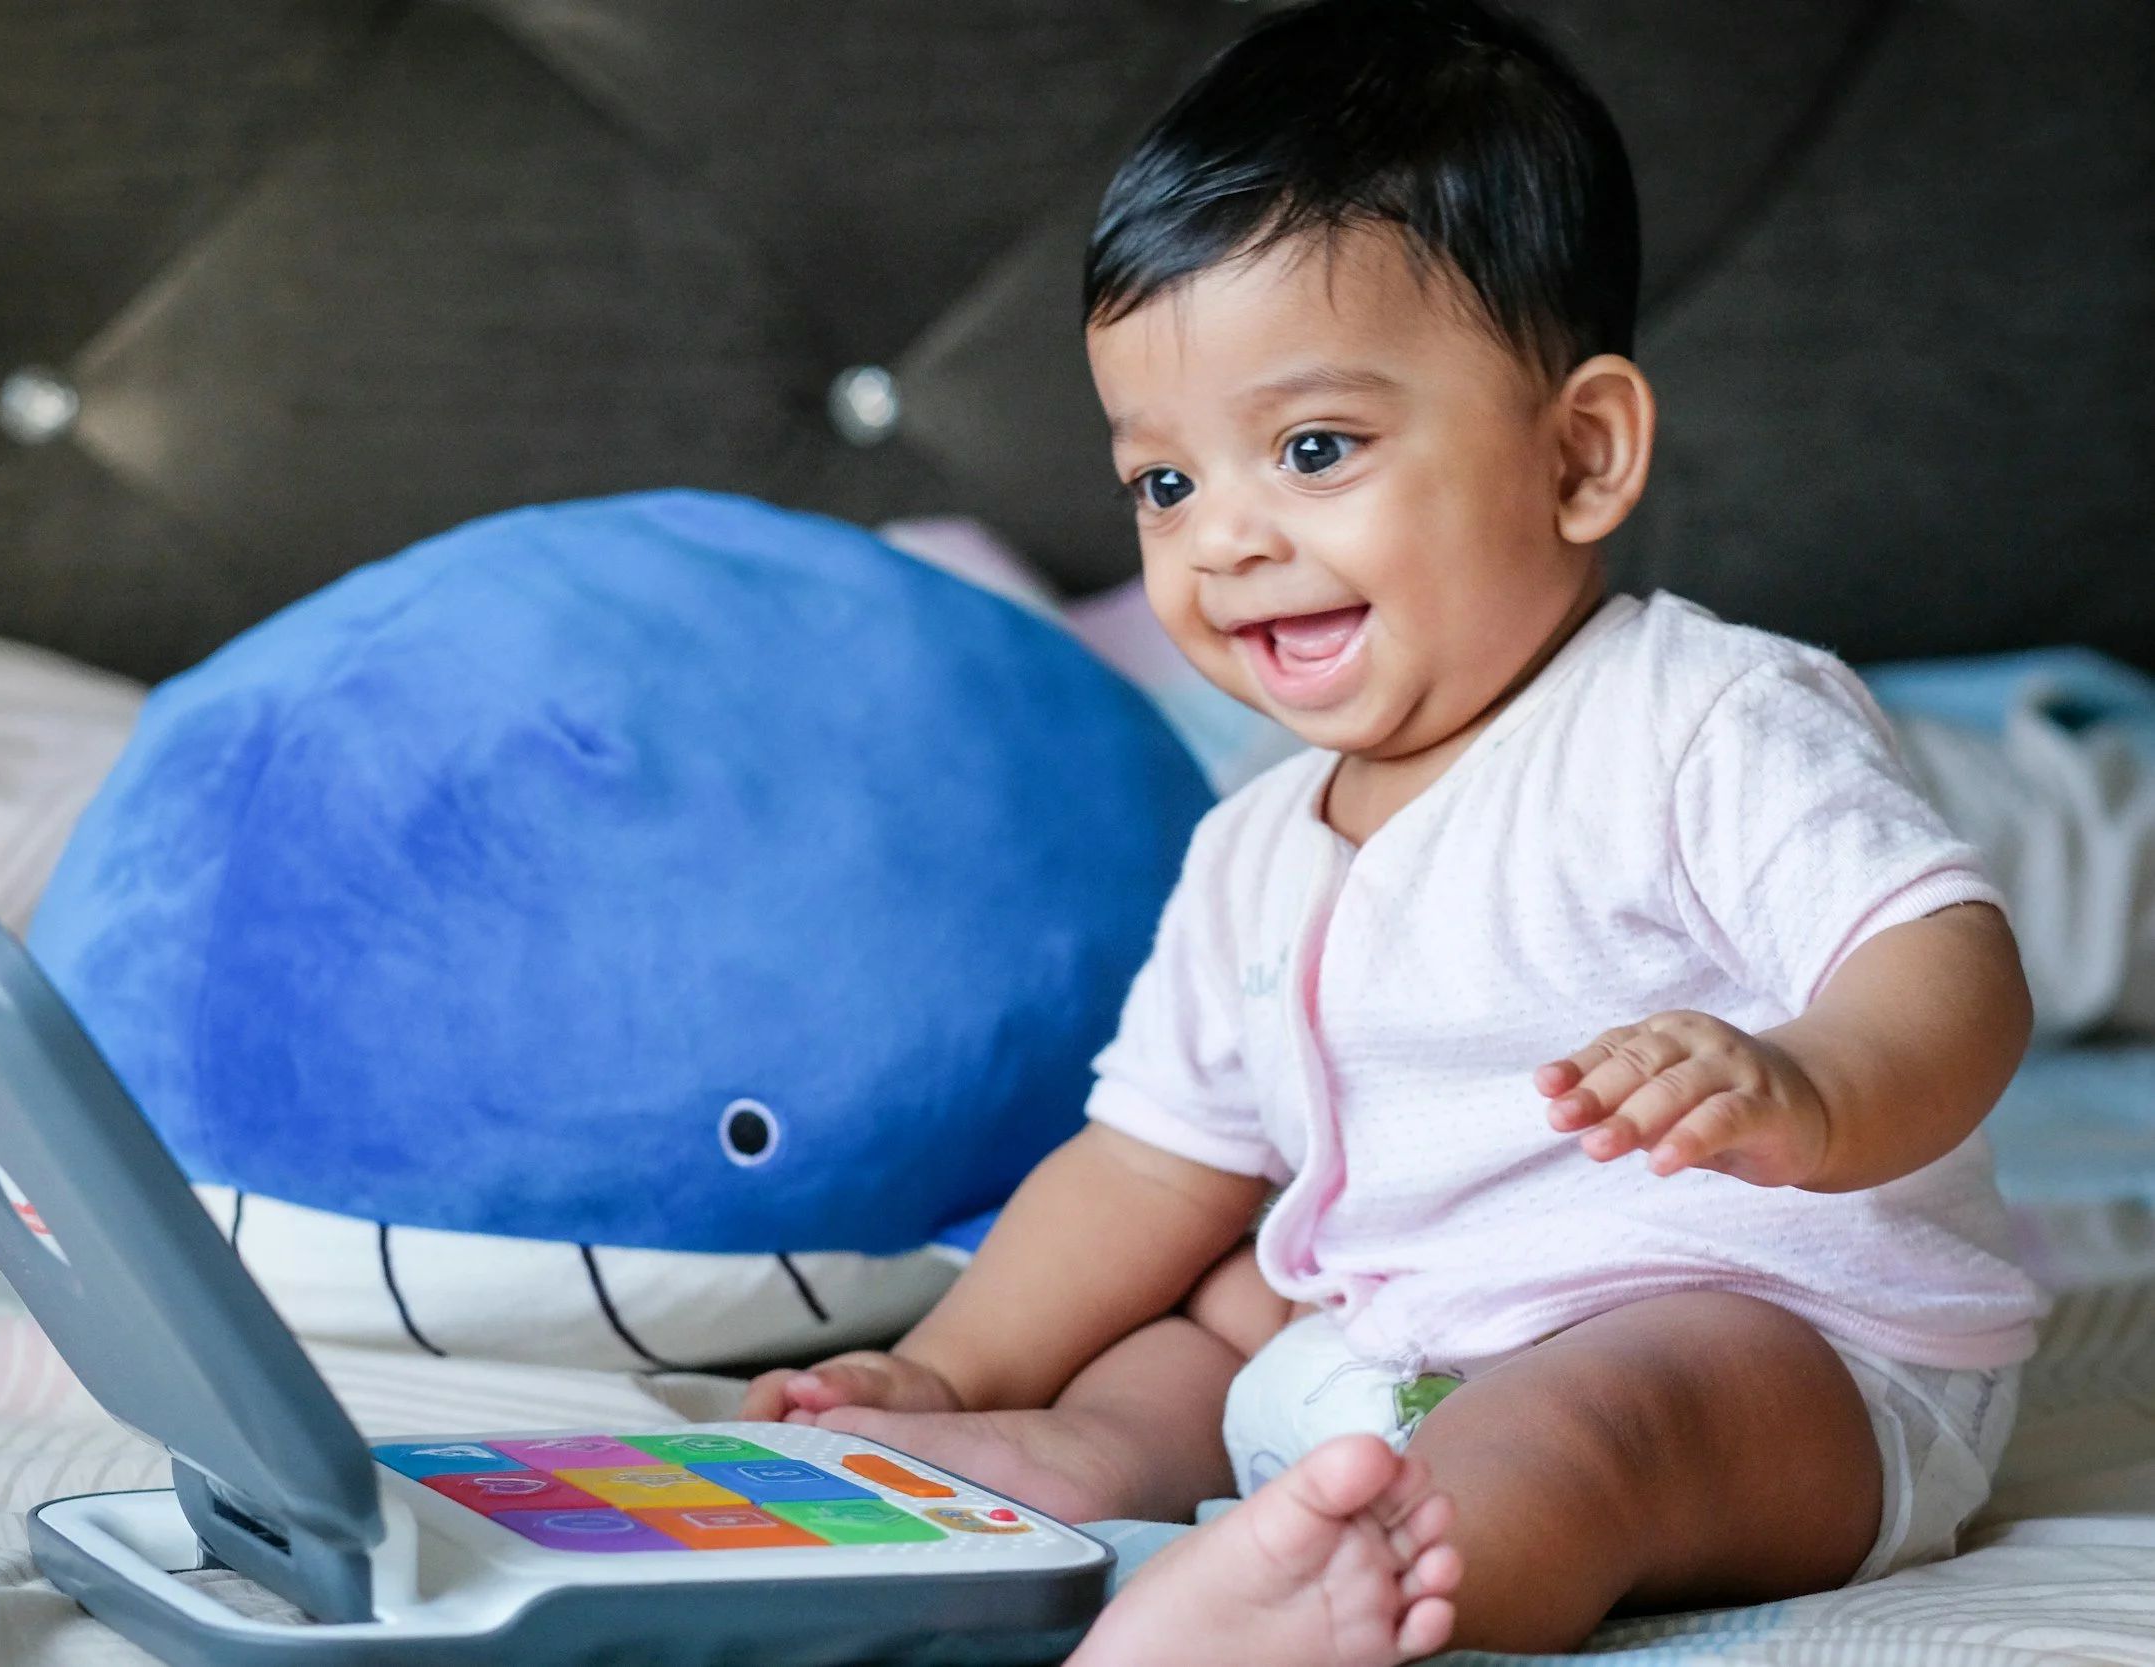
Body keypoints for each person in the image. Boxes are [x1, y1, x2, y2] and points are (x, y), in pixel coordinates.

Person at [741, 2, 2048, 1661]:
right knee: (1200, 1313)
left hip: (1777, 1350)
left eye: (1311, 448)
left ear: (1580, 455)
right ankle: (1069, 1458)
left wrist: (1815, 1087)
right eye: (1163, 483)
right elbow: (1149, 1160)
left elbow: (1947, 960)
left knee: (1595, 1426)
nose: (1224, 541)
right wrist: (951, 1362)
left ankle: (1396, 1590)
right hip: (1391, 1326)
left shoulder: (1701, 715)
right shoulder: (1256, 845)